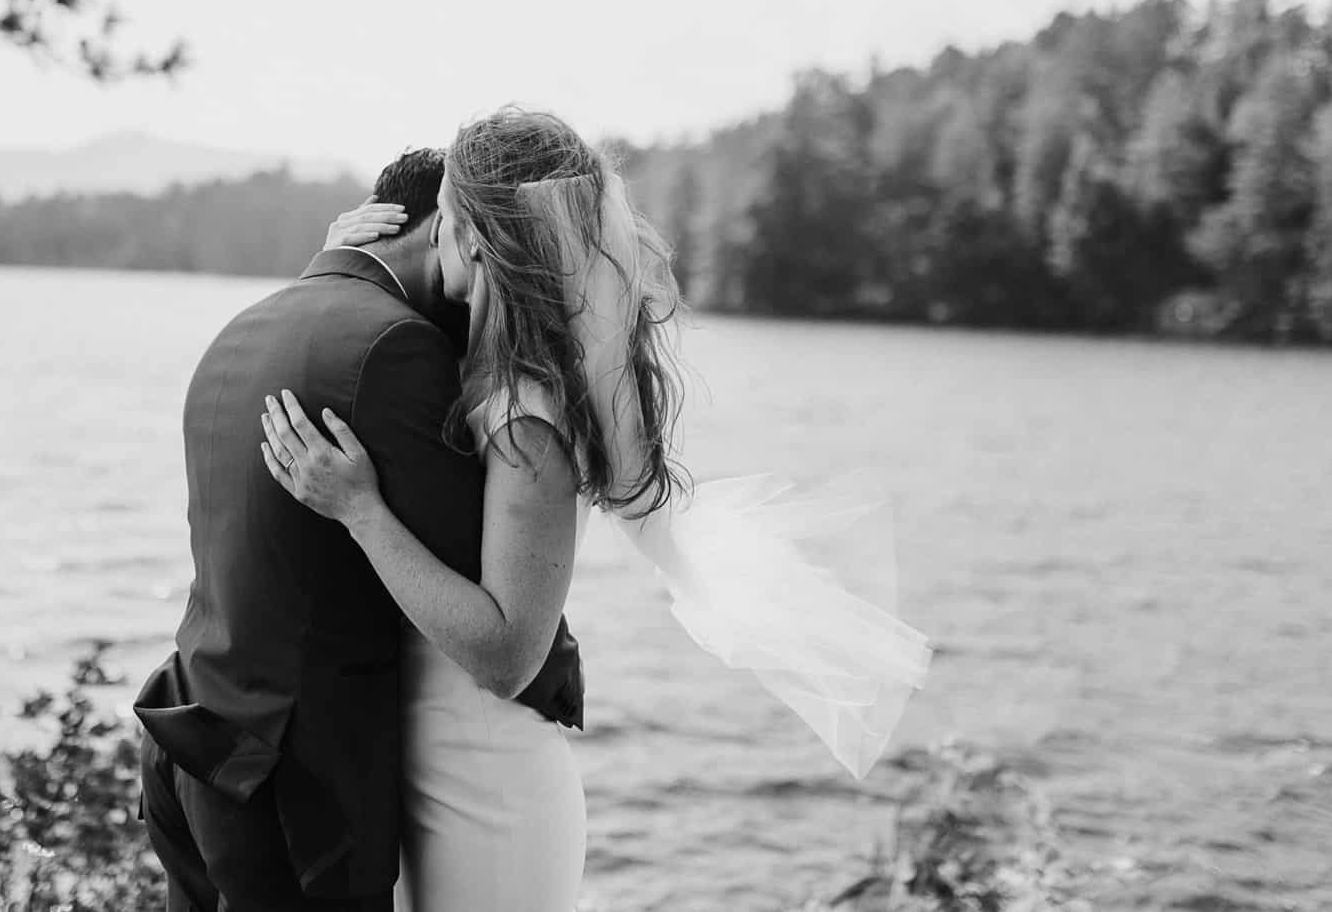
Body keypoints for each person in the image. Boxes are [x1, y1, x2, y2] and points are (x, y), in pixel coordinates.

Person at [262, 107, 936, 911]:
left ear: (479, 237)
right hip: (430, 766)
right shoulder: (476, 367)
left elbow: (510, 652)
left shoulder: (526, 415)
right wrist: (341, 261)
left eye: (444, 214)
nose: (430, 231)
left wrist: (361, 510)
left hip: (488, 792)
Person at [133, 147, 584, 912]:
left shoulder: (246, 327)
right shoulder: (398, 345)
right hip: (291, 782)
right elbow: (490, 608)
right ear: (449, 226)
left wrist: (335, 258)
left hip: (191, 736)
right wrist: (554, 674)